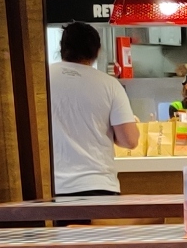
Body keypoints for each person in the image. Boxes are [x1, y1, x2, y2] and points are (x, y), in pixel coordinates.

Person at [49, 22, 141, 197]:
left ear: (62, 48)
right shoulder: (110, 84)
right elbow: (129, 140)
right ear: (97, 51)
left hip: (52, 187)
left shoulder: (41, 79)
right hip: (98, 185)